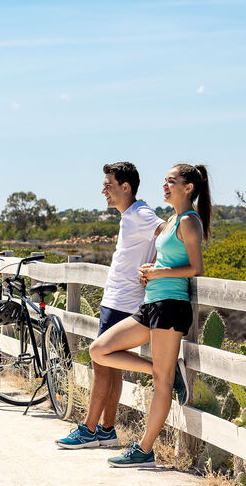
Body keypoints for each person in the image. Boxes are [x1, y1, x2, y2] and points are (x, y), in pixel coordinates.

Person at [89, 163, 212, 468]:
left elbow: (196, 268)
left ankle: (144, 450)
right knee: (100, 350)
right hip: (151, 304)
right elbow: (167, 255)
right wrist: (151, 269)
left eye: (171, 182)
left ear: (189, 188)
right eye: (165, 181)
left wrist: (159, 271)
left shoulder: (189, 221)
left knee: (161, 382)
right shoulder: (172, 220)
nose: (164, 186)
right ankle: (169, 372)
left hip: (172, 305)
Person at [56, 162, 162, 449]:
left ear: (125, 187)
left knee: (100, 363)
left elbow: (168, 233)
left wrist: (159, 267)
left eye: (108, 185)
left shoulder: (140, 213)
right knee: (110, 367)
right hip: (117, 300)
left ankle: (89, 430)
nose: (104, 190)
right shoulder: (130, 215)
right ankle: (106, 429)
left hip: (123, 302)